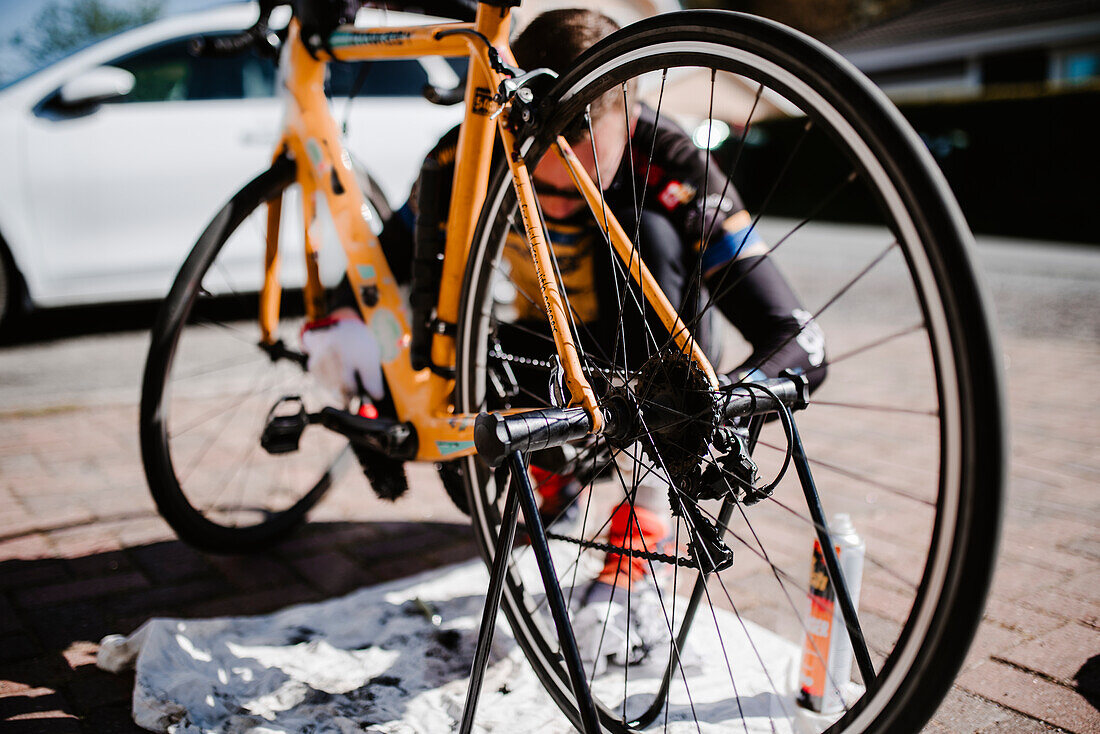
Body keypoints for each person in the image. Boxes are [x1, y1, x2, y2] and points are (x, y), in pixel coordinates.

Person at [303, 8, 825, 671]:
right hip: (541, 360)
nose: (556, 187)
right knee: (466, 443)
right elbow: (376, 270)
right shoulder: (465, 150)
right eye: (540, 169)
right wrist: (366, 380)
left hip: (653, 367)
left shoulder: (669, 156)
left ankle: (645, 512)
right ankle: (560, 486)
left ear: (628, 118)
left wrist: (715, 416)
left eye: (579, 161)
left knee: (648, 229)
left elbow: (798, 336)